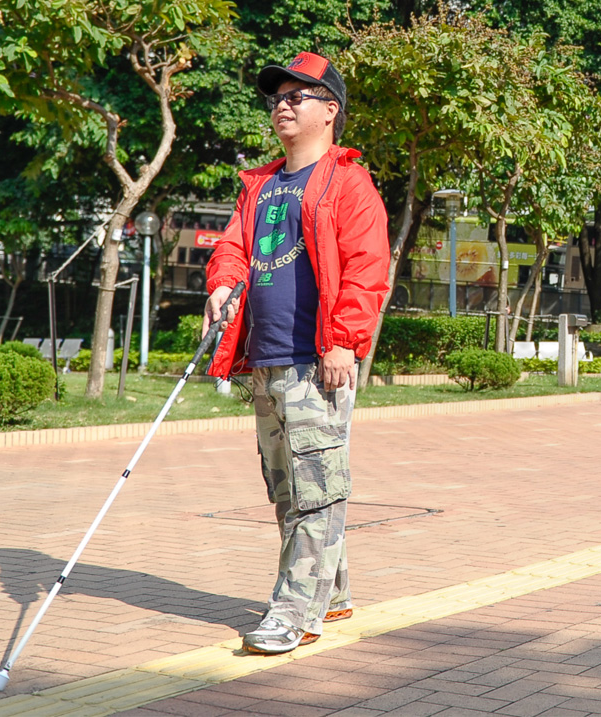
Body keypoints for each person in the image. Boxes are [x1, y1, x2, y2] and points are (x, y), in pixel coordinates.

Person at [202, 51, 390, 655]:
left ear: (330, 111)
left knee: (318, 487)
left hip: (319, 359)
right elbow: (233, 249)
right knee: (289, 489)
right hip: (266, 359)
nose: (283, 104)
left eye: (298, 95)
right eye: (278, 96)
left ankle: (293, 611)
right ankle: (330, 594)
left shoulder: (348, 182)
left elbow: (366, 271)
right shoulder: (260, 185)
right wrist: (223, 285)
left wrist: (342, 342)